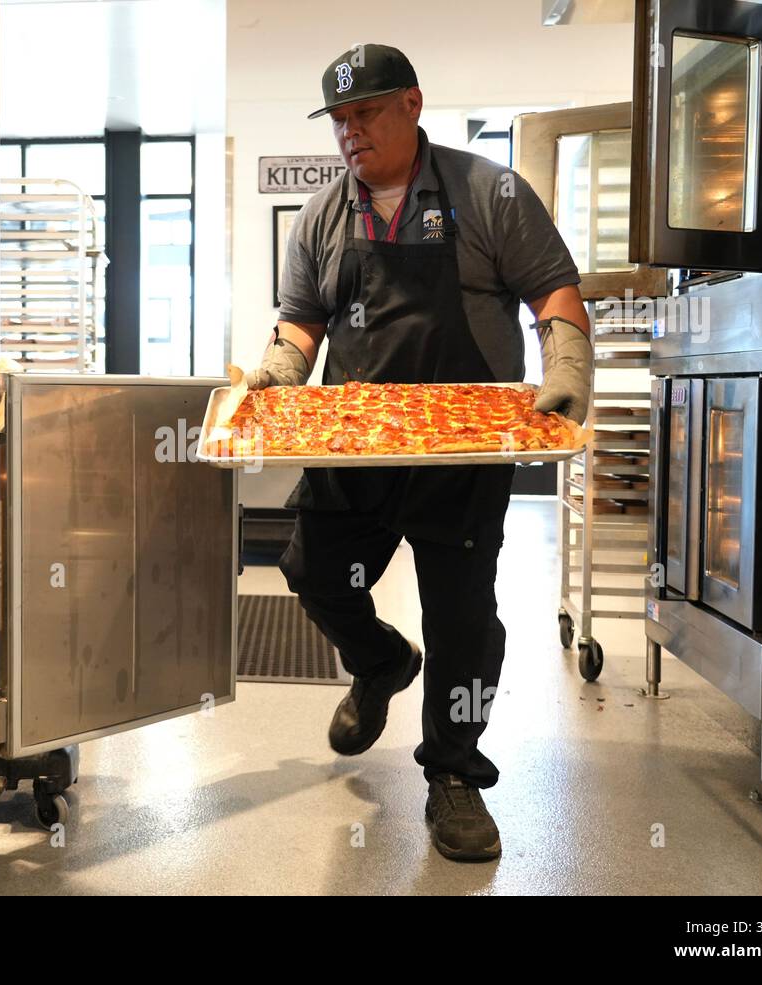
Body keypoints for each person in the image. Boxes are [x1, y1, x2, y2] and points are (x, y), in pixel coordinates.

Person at [246, 43, 592, 862]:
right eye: (338, 120)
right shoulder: (323, 213)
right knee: (312, 571)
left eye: (365, 112)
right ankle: (381, 663)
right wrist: (283, 368)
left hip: (463, 453)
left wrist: (568, 364)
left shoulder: (489, 192)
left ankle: (454, 773)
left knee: (464, 616)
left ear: (412, 104)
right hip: (356, 444)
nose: (350, 132)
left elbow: (551, 287)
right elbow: (303, 317)